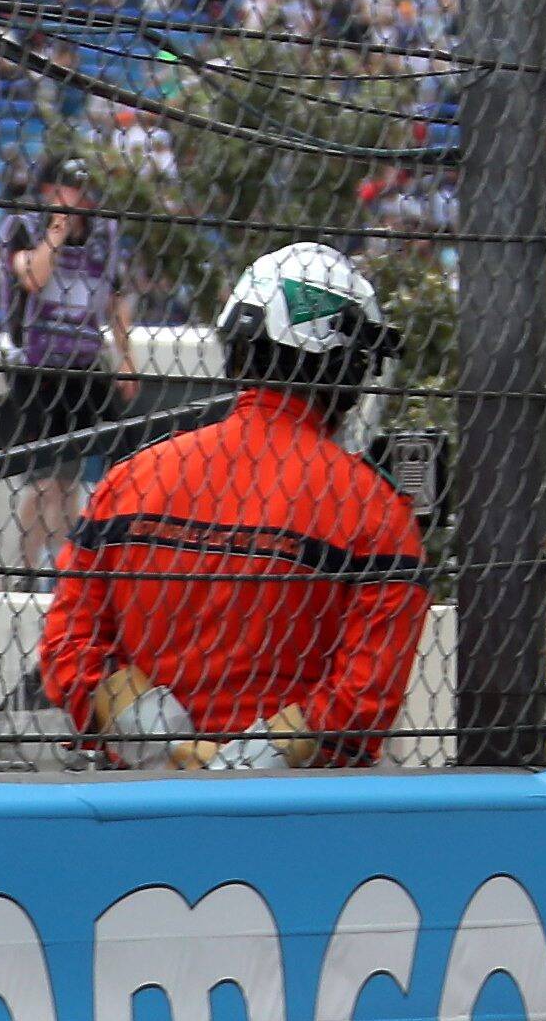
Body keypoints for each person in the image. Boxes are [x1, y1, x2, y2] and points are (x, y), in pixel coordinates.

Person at [41, 244, 427, 771]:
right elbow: (362, 701)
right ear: (349, 369)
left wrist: (168, 747)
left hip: (138, 797)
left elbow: (67, 645)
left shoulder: (129, 482)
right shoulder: (375, 513)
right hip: (297, 806)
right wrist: (247, 764)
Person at [0, 169, 134, 581]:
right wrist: (56, 231)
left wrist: (126, 358)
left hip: (82, 365)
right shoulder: (23, 227)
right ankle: (25, 570)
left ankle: (66, 568)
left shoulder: (103, 235)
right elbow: (33, 277)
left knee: (70, 479)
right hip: (36, 366)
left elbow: (116, 298)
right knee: (43, 481)